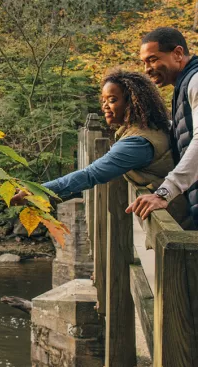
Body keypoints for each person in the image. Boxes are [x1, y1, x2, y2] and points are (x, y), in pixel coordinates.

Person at [12, 69, 188, 225]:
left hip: (179, 225)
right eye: (103, 100)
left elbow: (90, 175)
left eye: (112, 99)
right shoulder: (156, 127)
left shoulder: (137, 143)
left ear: (132, 102)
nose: (104, 106)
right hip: (179, 216)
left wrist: (35, 192)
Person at [126, 27, 198, 226]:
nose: (147, 69)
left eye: (153, 59)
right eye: (144, 63)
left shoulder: (195, 82)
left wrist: (164, 193)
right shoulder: (183, 87)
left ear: (177, 53)